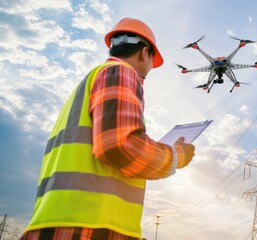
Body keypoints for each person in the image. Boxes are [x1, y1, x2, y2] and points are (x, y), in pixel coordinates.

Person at [21, 17, 195, 240]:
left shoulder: (84, 90)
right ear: (144, 53)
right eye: (153, 60)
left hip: (56, 225)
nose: (151, 68)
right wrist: (176, 155)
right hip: (91, 227)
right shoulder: (121, 72)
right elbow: (120, 146)